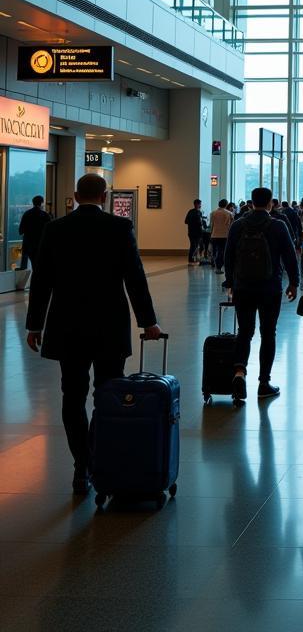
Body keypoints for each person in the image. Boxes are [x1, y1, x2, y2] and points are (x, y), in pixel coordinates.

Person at [25, 174, 161, 494]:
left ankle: (80, 465)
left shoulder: (55, 229)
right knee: (108, 394)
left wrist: (35, 325)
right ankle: (96, 454)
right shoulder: (119, 228)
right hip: (109, 327)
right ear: (104, 196)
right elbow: (135, 279)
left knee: (72, 397)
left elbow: (41, 281)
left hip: (67, 326)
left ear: (74, 195)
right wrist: (148, 321)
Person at [223, 186, 299, 402]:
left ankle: (239, 372)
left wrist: (230, 282)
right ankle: (264, 382)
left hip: (243, 287)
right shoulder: (278, 225)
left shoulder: (238, 225)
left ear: (250, 202)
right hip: (270, 288)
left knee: (244, 331)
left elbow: (228, 256)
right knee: (268, 333)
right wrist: (294, 282)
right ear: (270, 203)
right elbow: (290, 256)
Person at [18, 194, 50, 272]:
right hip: (40, 245)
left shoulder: (26, 214)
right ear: (42, 203)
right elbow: (49, 231)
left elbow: (20, 230)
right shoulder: (45, 215)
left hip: (28, 245)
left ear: (33, 203)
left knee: (26, 267)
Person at [209, 198, 234, 273]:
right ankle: (219, 267)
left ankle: (214, 263)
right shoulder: (229, 213)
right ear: (226, 205)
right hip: (224, 235)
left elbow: (211, 225)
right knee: (222, 251)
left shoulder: (213, 213)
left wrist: (211, 233)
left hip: (214, 234)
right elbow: (231, 225)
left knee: (215, 250)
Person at [185, 199, 205, 265]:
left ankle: (194, 259)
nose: (200, 205)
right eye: (199, 204)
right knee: (194, 246)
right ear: (196, 204)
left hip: (191, 232)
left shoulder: (190, 211)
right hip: (196, 232)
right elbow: (199, 223)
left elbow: (186, 221)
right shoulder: (198, 213)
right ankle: (191, 260)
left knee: (194, 246)